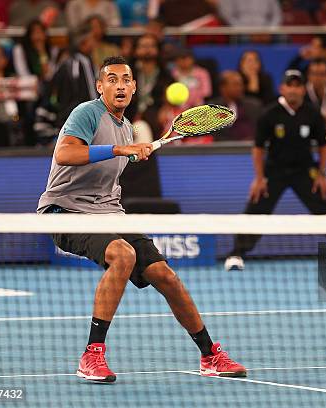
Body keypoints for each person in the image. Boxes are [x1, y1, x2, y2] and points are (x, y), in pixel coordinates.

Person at [37, 56, 246, 383]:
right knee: (123, 254)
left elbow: (110, 171)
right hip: (65, 212)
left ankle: (210, 355)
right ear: (100, 86)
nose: (119, 85)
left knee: (166, 275)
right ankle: (92, 355)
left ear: (134, 87)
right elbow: (65, 153)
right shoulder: (87, 113)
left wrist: (132, 150)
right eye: (112, 79)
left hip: (107, 213)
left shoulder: (127, 129)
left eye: (125, 80)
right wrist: (119, 151)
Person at [224, 70, 326, 271]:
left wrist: (322, 175)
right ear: (282, 88)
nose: (294, 89)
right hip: (275, 170)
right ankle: (236, 253)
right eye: (290, 85)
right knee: (256, 208)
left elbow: (323, 145)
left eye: (298, 85)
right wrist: (260, 177)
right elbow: (258, 148)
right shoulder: (269, 114)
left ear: (303, 90)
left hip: (305, 170)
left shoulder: (312, 113)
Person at [287, 34, 326, 100]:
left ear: (325, 51)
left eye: (314, 46)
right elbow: (290, 75)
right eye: (313, 73)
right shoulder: (307, 68)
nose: (310, 49)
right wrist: (299, 58)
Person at [209, 70, 261, 141]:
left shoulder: (253, 106)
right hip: (225, 149)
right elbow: (213, 135)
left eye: (241, 85)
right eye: (236, 85)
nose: (240, 88)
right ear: (223, 88)